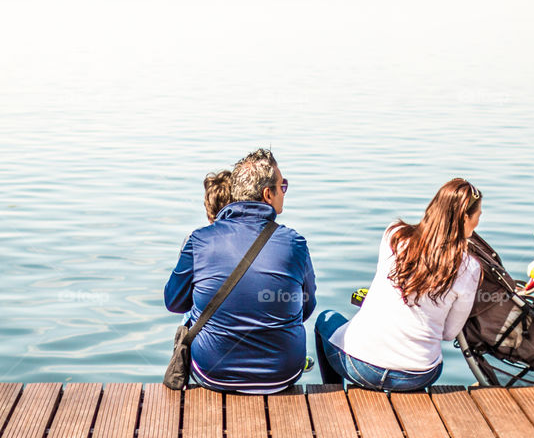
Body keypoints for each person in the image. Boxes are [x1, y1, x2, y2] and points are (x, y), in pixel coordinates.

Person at [164, 149, 317, 393]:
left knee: (191, 315)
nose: (284, 192)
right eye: (283, 186)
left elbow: (173, 302)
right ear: (268, 194)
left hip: (213, 375)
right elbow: (306, 308)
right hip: (283, 374)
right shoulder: (295, 243)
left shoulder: (199, 240)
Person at [314, 178, 482, 391]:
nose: (478, 222)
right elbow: (448, 334)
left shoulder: (394, 235)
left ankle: (334, 391)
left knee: (325, 319)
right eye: (478, 215)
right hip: (418, 375)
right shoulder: (470, 267)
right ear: (465, 217)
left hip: (360, 367)